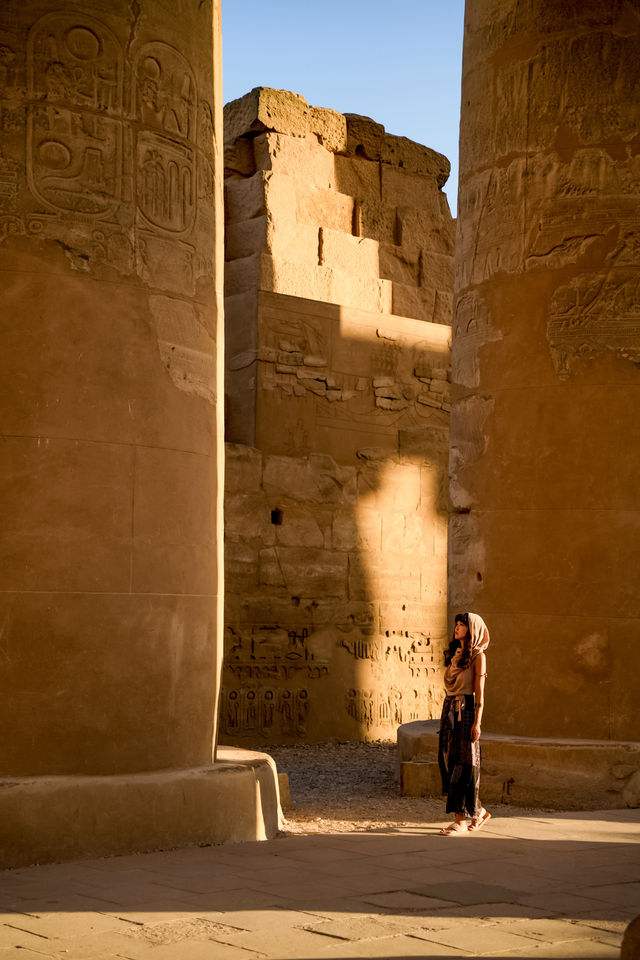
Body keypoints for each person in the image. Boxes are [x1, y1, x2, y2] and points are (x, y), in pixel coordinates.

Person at [437, 612, 491, 835]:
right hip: (450, 710)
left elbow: (479, 693)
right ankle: (478, 812)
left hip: (467, 711)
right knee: (451, 762)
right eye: (456, 624)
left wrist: (477, 722)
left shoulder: (478, 657)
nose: (457, 627)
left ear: (473, 629)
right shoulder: (455, 655)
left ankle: (461, 820)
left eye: (462, 624)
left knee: (465, 765)